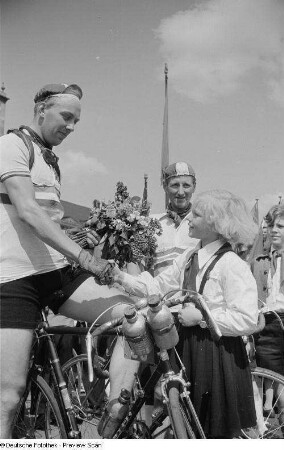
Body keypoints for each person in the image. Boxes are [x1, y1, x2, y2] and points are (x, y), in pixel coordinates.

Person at [0, 83, 135, 438]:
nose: (72, 127)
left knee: (136, 318)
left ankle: (114, 412)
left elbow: (49, 218)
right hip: (15, 279)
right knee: (9, 397)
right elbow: (28, 211)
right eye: (66, 116)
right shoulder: (12, 145)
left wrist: (77, 234)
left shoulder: (48, 157)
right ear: (41, 109)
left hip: (57, 272)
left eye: (77, 120)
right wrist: (87, 258)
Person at [111, 189, 259, 438]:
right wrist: (119, 276)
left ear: (215, 223)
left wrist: (203, 318)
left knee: (212, 425)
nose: (189, 218)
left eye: (197, 215)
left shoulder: (232, 264)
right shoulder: (189, 257)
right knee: (186, 417)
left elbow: (247, 318)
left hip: (217, 354)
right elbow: (157, 286)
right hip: (186, 347)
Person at [251, 204, 284, 428]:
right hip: (268, 324)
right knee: (275, 379)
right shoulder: (258, 262)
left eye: (280, 226)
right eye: (271, 225)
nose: (274, 229)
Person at [151, 162, 198, 275]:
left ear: (194, 187)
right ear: (165, 187)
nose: (181, 192)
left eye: (186, 185)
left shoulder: (204, 225)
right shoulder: (153, 225)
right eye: (175, 185)